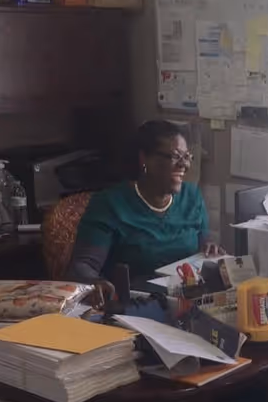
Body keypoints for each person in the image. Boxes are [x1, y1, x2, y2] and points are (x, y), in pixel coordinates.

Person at [66, 121, 219, 298]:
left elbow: (203, 244)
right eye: (176, 156)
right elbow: (82, 266)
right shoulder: (109, 204)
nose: (184, 165)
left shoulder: (192, 197)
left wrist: (209, 248)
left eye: (187, 157)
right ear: (144, 159)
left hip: (186, 299)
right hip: (134, 304)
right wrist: (96, 283)